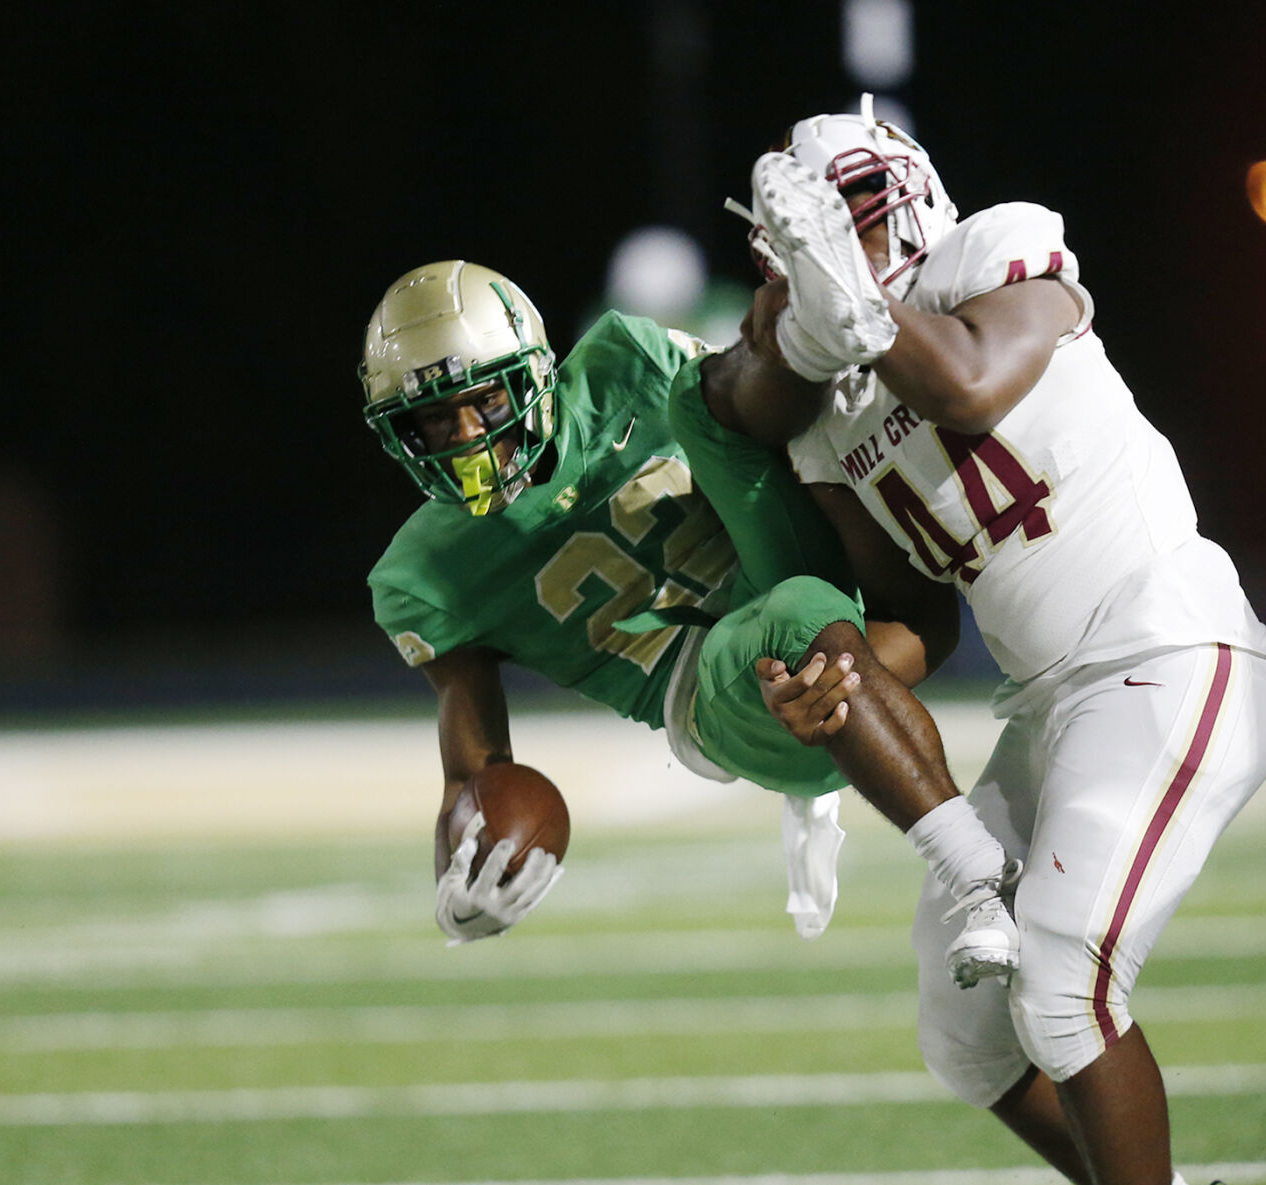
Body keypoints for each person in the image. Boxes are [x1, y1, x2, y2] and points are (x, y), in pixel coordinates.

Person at [734, 99, 1266, 1185]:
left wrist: (858, 315)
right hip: (1050, 703)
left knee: (1063, 981)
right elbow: (917, 618)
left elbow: (969, 382)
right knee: (964, 1035)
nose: (845, 250)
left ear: (907, 199)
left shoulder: (993, 254)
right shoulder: (827, 417)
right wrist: (828, 682)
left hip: (1172, 649)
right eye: (816, 236)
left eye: (855, 215)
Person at [358, 259, 1020, 981]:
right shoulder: (425, 575)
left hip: (804, 579)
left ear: (534, 371)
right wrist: (462, 871)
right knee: (794, 616)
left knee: (704, 398)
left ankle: (827, 315)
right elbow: (473, 776)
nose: (464, 437)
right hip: (721, 697)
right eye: (431, 419)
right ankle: (979, 875)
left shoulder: (624, 361)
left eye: (484, 401)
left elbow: (765, 434)